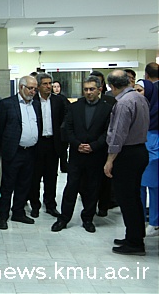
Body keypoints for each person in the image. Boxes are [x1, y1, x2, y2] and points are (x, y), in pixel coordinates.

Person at [51, 76, 114, 233]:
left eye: (92, 89)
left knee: (92, 188)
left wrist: (93, 146)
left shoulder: (107, 109)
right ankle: (64, 218)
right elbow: (67, 129)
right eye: (86, 89)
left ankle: (88, 218)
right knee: (71, 187)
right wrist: (77, 144)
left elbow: (108, 132)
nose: (88, 92)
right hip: (76, 155)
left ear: (99, 90)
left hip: (95, 155)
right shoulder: (75, 107)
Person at [104, 69, 149, 255]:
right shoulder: (140, 98)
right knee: (134, 198)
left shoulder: (123, 103)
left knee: (127, 199)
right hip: (140, 150)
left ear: (112, 86)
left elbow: (118, 135)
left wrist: (110, 160)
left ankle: (134, 243)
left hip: (127, 154)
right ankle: (134, 236)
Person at [0, 75, 42, 229]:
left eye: (35, 89)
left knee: (24, 184)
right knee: (8, 185)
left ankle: (18, 212)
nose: (33, 91)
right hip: (14, 151)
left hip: (31, 151)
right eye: (30, 88)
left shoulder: (36, 104)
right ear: (21, 87)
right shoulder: (7, 104)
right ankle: (2, 215)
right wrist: (7, 146)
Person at [28, 72, 68, 218]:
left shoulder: (59, 101)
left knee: (51, 176)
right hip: (37, 143)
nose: (48, 86)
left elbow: (66, 119)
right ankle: (35, 205)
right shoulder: (32, 101)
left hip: (53, 143)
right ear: (38, 86)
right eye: (45, 84)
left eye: (50, 83)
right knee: (35, 176)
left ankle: (50, 204)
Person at [89, 70, 117, 216]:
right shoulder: (82, 102)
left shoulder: (111, 101)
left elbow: (112, 127)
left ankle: (103, 206)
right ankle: (90, 206)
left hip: (104, 146)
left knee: (105, 179)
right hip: (88, 147)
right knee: (88, 181)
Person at [136, 79, 158, 237]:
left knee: (154, 187)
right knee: (139, 188)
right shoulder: (136, 108)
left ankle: (155, 222)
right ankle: (140, 218)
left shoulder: (156, 110)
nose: (137, 94)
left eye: (140, 90)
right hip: (137, 150)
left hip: (153, 151)